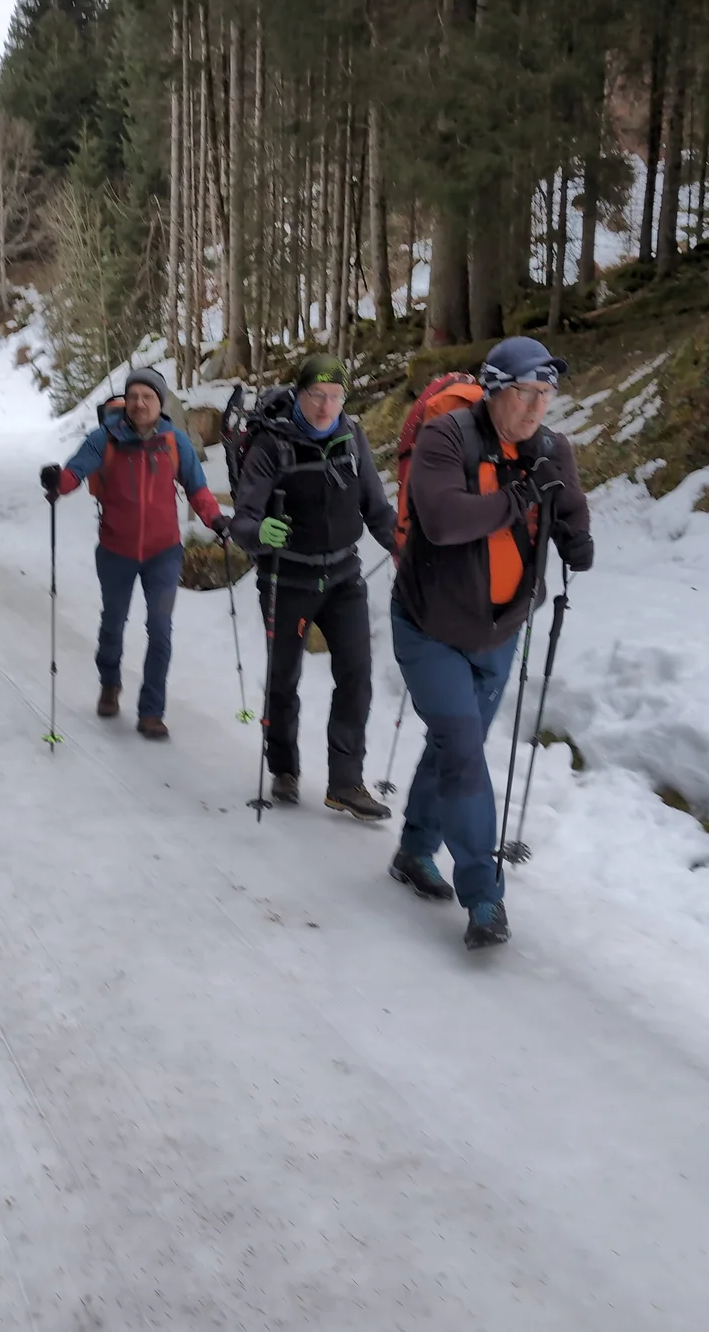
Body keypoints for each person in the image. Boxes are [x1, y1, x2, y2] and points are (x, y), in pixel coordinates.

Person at [388, 336, 594, 949]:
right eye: (525, 393)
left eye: (546, 395)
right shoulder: (447, 436)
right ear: (496, 389)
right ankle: (484, 896)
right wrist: (519, 499)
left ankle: (414, 849)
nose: (536, 409)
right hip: (428, 628)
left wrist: (574, 535)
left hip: (500, 632)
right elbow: (444, 521)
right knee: (463, 751)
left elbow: (571, 513)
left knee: (459, 745)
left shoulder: (552, 448)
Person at [227, 355, 397, 822]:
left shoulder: (352, 437)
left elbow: (376, 507)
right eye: (317, 395)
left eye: (336, 396)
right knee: (285, 677)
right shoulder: (272, 444)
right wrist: (259, 533)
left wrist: (404, 545)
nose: (326, 406)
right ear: (300, 394)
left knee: (356, 677)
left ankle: (345, 782)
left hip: (344, 577)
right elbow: (244, 517)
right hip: (289, 578)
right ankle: (283, 767)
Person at [40, 366, 229, 740]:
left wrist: (217, 521)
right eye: (134, 396)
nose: (140, 403)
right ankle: (110, 682)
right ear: (126, 401)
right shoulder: (104, 438)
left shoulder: (175, 442)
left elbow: (198, 490)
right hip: (116, 551)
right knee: (113, 622)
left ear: (160, 403)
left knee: (160, 630)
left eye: (149, 397)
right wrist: (55, 482)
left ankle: (151, 711)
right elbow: (74, 473)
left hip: (164, 552)